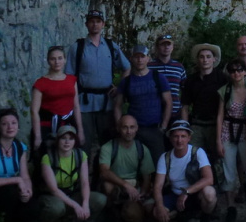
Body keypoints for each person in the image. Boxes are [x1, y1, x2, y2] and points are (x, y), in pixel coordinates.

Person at [65, 10, 131, 154]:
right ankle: (84, 175)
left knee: (107, 143)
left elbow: (126, 67)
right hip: (84, 103)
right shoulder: (77, 47)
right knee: (83, 143)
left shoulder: (110, 46)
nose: (95, 24)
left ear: (103, 24)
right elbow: (69, 77)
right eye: (92, 21)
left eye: (98, 21)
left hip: (106, 102)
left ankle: (104, 175)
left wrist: (120, 87)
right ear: (86, 24)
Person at [152, 120, 217, 222]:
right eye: (176, 136)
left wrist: (187, 191)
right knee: (157, 213)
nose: (179, 140)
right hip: (175, 193)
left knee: (210, 193)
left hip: (194, 193)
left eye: (183, 136)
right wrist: (160, 206)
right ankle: (182, 215)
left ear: (189, 138)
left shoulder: (198, 152)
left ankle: (205, 219)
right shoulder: (165, 157)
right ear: (170, 138)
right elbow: (158, 186)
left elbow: (209, 179)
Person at [36, 125, 106, 222]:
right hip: (52, 197)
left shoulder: (81, 155)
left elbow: (84, 183)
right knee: (56, 208)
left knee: (100, 199)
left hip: (72, 193)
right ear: (58, 140)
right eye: (63, 138)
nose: (67, 142)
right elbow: (53, 190)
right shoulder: (48, 158)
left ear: (75, 141)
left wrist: (85, 204)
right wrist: (76, 206)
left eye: (71, 139)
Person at [114, 44, 172, 163]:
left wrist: (164, 126)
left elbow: (168, 102)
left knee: (159, 163)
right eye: (136, 57)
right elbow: (117, 105)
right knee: (134, 162)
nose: (139, 60)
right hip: (134, 130)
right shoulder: (127, 81)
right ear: (131, 59)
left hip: (155, 129)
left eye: (142, 56)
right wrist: (120, 126)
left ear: (148, 58)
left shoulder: (158, 77)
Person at [216, 59, 246, 222]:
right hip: (228, 131)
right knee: (229, 171)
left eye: (239, 70)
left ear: (245, 71)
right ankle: (231, 208)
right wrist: (218, 139)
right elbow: (220, 115)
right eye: (233, 71)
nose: (236, 73)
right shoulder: (225, 90)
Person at [98, 115, 156, 222]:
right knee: (107, 186)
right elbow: (104, 171)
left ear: (137, 128)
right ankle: (111, 212)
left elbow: (147, 177)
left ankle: (129, 214)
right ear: (118, 128)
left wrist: (142, 194)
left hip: (135, 189)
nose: (129, 131)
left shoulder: (142, 149)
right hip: (116, 185)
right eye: (125, 127)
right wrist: (125, 185)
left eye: (132, 127)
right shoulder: (108, 147)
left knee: (136, 215)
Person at [30, 46, 83, 153]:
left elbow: (76, 106)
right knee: (45, 158)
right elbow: (34, 111)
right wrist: (38, 136)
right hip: (47, 126)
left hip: (68, 125)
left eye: (60, 58)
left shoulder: (71, 80)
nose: (57, 62)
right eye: (53, 59)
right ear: (48, 61)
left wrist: (80, 130)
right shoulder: (41, 83)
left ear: (65, 60)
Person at [181, 43, 224, 165]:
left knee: (218, 159)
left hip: (215, 125)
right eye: (202, 57)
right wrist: (185, 127)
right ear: (198, 59)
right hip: (196, 125)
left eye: (208, 56)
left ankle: (215, 183)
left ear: (214, 59)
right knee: (193, 157)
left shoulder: (222, 77)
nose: (205, 60)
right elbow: (185, 106)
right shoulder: (191, 80)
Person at [148, 33, 187, 127]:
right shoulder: (149, 66)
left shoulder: (179, 67)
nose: (166, 47)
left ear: (172, 47)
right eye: (163, 44)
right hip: (154, 112)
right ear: (157, 47)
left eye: (168, 44)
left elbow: (185, 91)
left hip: (175, 113)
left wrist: (184, 114)